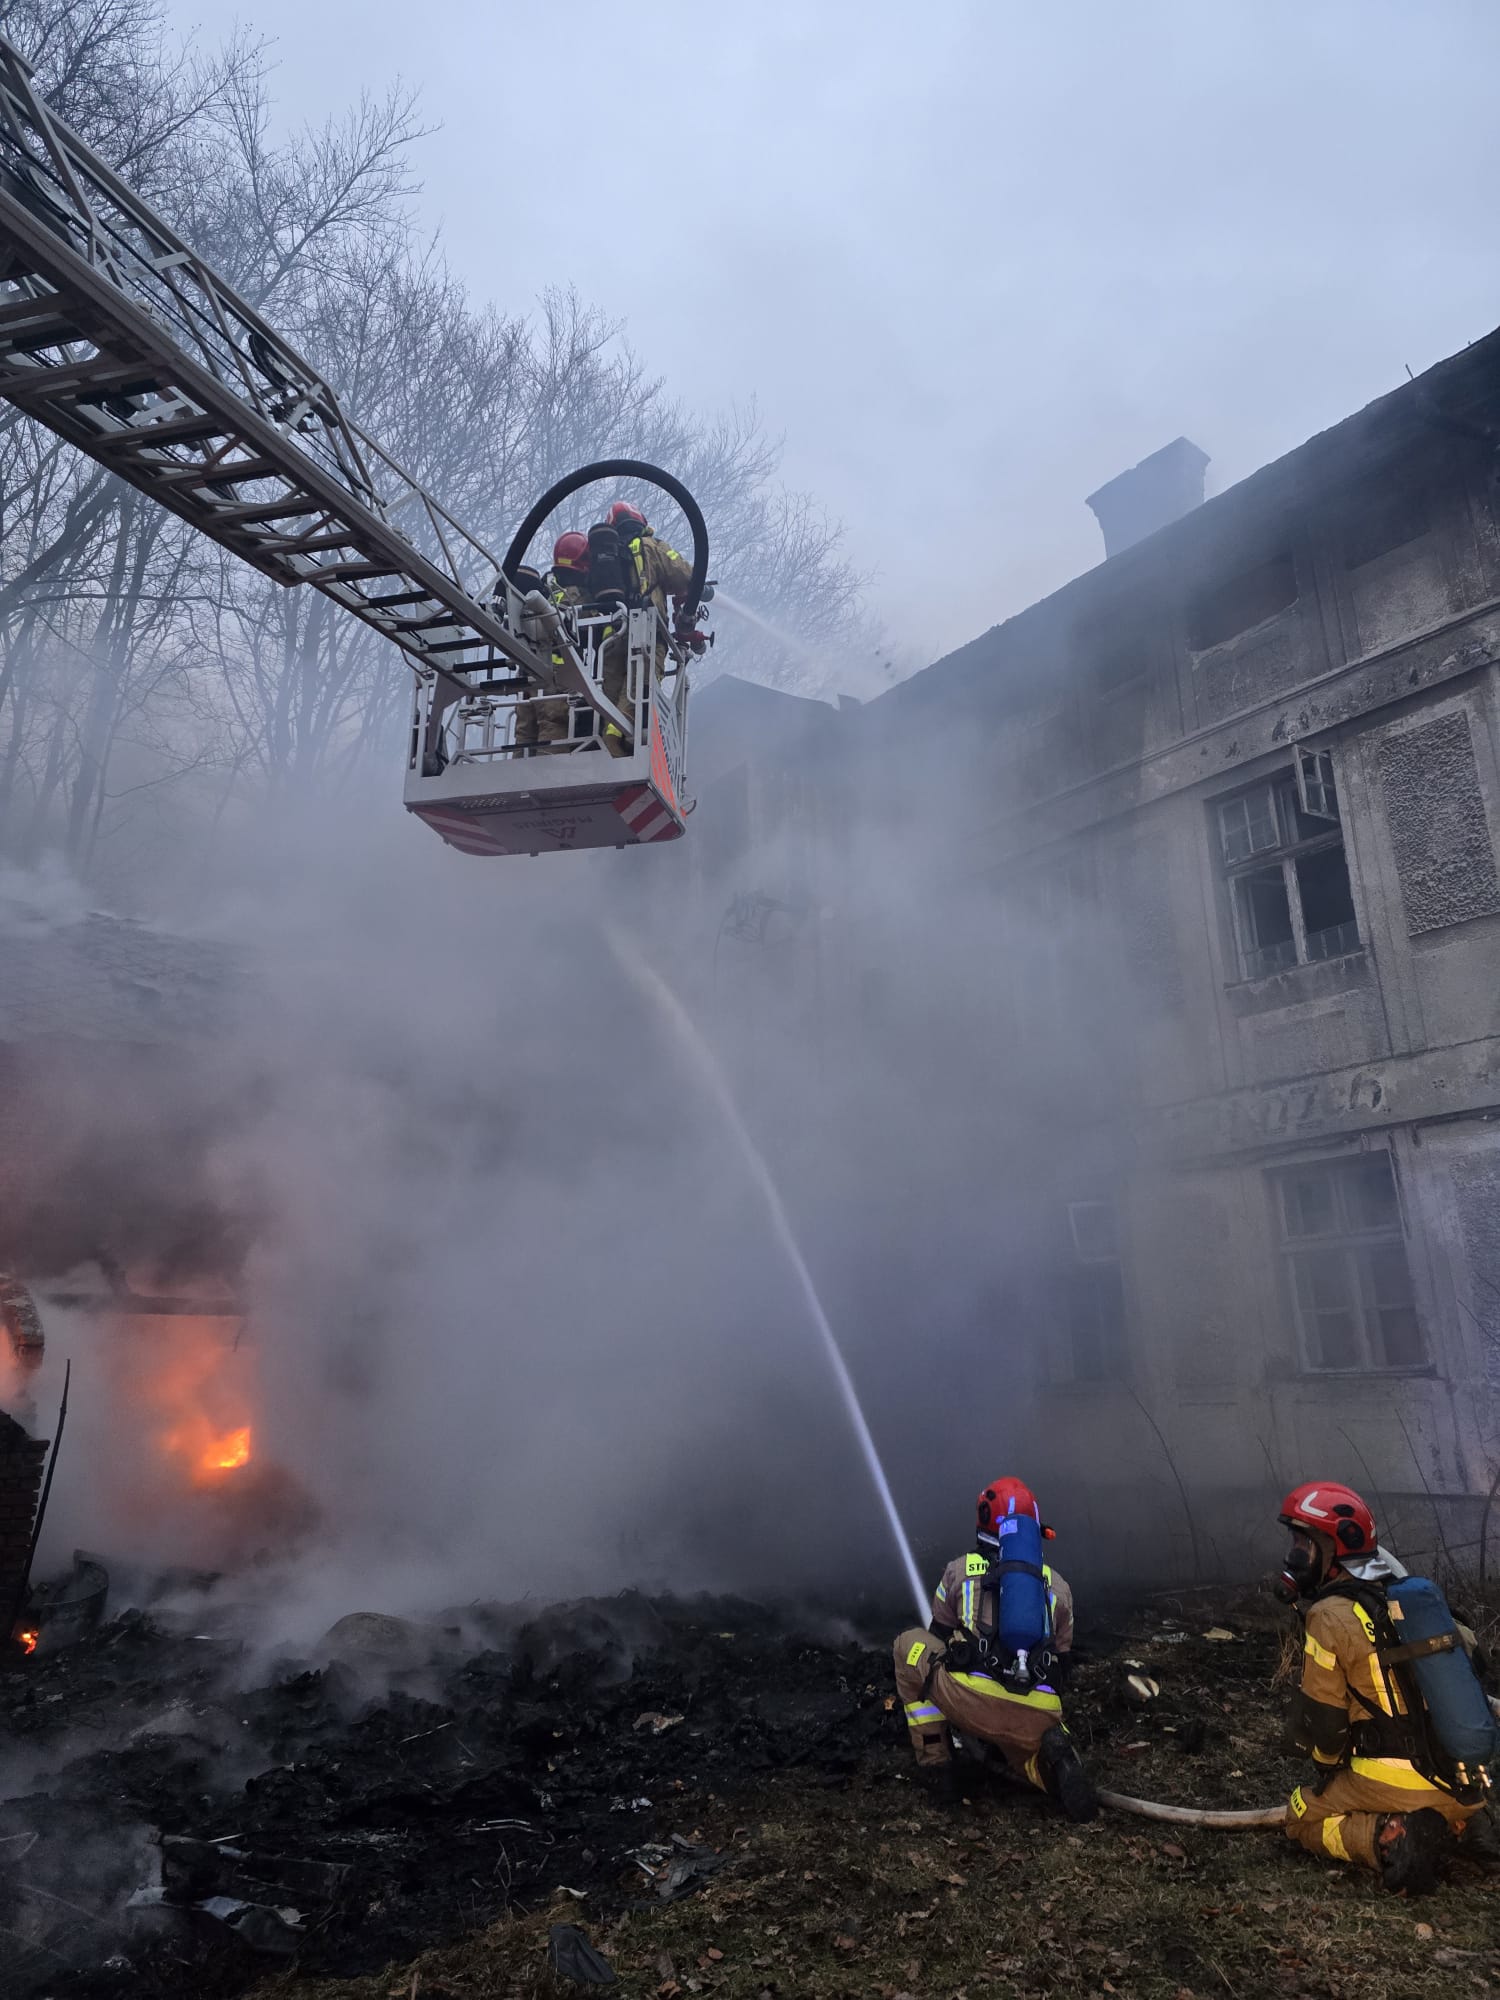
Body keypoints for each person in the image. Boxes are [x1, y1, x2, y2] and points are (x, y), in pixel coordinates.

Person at [1277, 1480, 1486, 1894]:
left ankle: (1390, 1836)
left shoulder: (1328, 1615)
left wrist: (1324, 1767)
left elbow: (1328, 1727)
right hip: (1461, 1782)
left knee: (1300, 1816)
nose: (1296, 1559)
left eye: (1305, 1546)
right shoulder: (1412, 1599)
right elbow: (1474, 1660)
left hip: (1396, 1783)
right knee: (1445, 1798)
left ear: (1335, 1549)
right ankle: (1468, 1824)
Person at [892, 1475, 1097, 1818]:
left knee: (909, 1645)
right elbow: (1063, 1666)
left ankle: (938, 1767)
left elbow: (938, 1635)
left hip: (970, 1701)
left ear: (985, 1519)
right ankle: (1050, 1765)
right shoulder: (1059, 1586)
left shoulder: (959, 1570)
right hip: (1038, 1712)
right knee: (1027, 1749)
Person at [596, 500, 700, 757]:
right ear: (640, 521)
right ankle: (621, 745)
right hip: (645, 633)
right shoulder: (651, 546)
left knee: (607, 693)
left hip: (610, 636)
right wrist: (700, 589)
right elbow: (684, 574)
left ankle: (602, 743)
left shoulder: (603, 556)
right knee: (639, 690)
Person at [514, 531, 590, 754]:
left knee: (523, 737)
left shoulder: (546, 595)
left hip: (531, 680)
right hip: (557, 687)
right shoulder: (581, 599)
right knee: (550, 737)